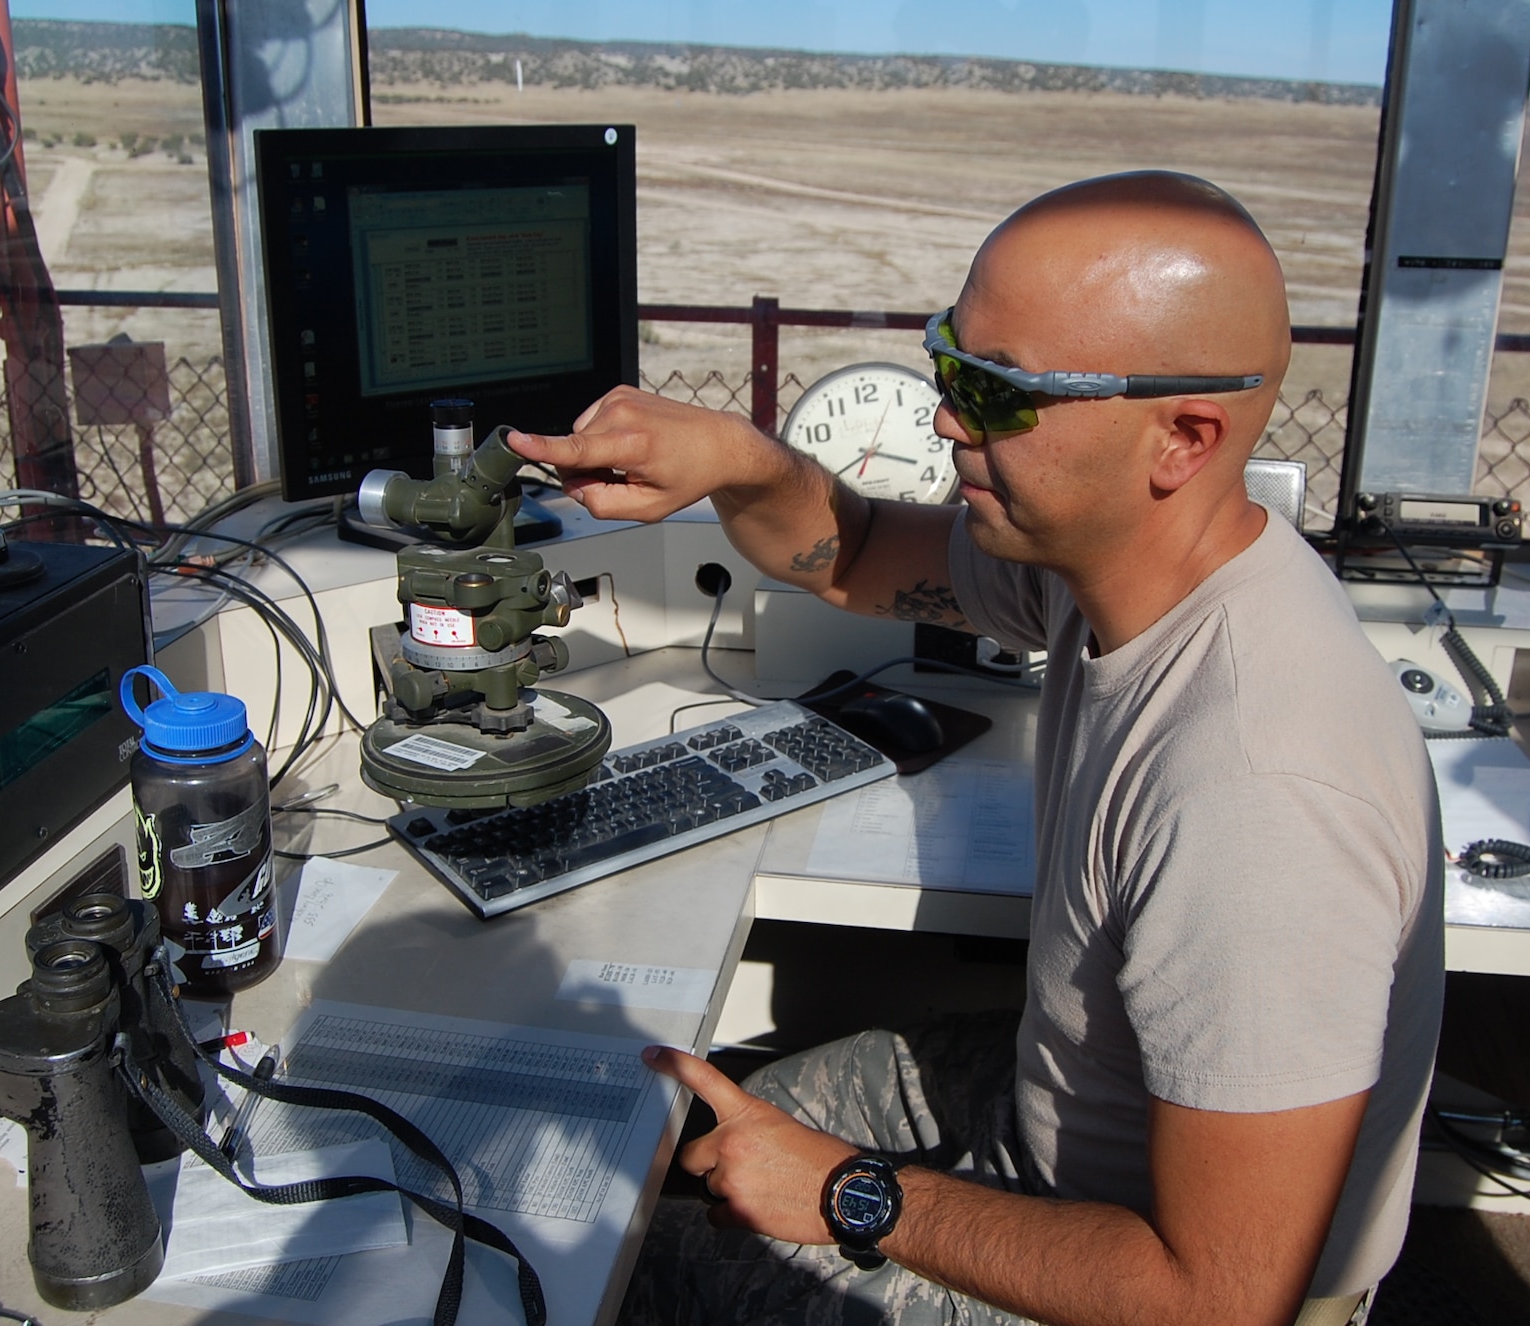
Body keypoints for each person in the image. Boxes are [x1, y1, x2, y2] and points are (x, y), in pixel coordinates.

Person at [508, 170, 1442, 1326]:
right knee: (685, 1143)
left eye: (994, 394)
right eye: (948, 360)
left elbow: (1219, 1299)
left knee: (636, 1265)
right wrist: (743, 461)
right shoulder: (1117, 563)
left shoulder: (1256, 794)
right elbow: (850, 552)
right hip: (1054, 1123)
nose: (945, 415)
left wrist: (851, 1195)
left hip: (1155, 1276)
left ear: (1182, 437)